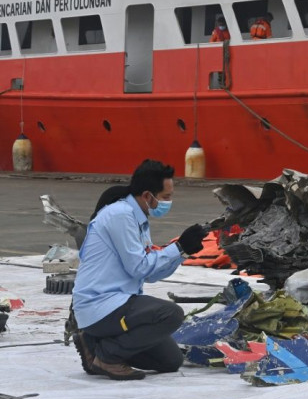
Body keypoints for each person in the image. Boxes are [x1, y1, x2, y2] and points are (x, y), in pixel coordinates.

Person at [71, 159, 209, 380]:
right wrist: (178, 246)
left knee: (171, 361)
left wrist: (183, 251)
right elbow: (139, 267)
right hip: (101, 305)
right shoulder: (120, 215)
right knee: (171, 314)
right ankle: (107, 357)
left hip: (118, 303)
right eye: (166, 197)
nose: (169, 202)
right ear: (147, 195)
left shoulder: (138, 218)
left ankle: (94, 345)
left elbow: (151, 274)